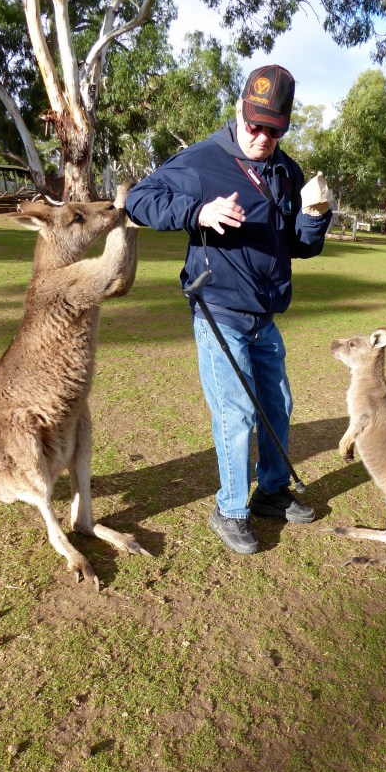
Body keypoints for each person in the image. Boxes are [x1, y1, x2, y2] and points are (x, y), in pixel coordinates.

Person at [125, 64, 332, 555]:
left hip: (265, 314)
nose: (262, 137)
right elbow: (138, 200)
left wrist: (315, 217)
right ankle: (231, 508)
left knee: (278, 406)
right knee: (235, 413)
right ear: (240, 111)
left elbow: (299, 247)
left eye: (274, 129)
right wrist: (197, 212)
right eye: (255, 124)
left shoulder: (287, 171)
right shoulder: (202, 160)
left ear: (285, 126)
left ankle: (272, 494)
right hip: (218, 309)